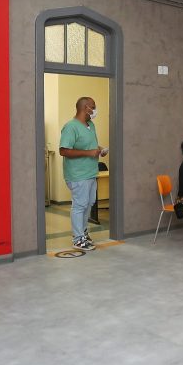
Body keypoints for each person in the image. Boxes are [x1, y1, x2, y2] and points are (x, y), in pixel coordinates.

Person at [59, 96, 107, 252]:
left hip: (91, 172)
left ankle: (83, 232)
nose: (95, 110)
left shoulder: (90, 125)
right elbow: (64, 150)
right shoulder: (71, 127)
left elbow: (90, 146)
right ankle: (78, 239)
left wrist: (99, 149)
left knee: (89, 203)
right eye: (93, 106)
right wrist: (88, 153)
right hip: (78, 174)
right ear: (86, 108)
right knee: (80, 205)